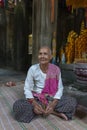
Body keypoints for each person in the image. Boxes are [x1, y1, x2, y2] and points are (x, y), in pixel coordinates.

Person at [13, 46, 77, 123]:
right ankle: (50, 111)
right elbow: (27, 88)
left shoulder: (56, 69)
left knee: (72, 101)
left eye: (45, 54)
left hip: (51, 97)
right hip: (37, 98)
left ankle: (47, 110)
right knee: (18, 105)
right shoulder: (33, 69)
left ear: (50, 57)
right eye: (40, 54)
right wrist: (34, 104)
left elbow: (60, 88)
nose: (42, 56)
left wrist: (53, 103)